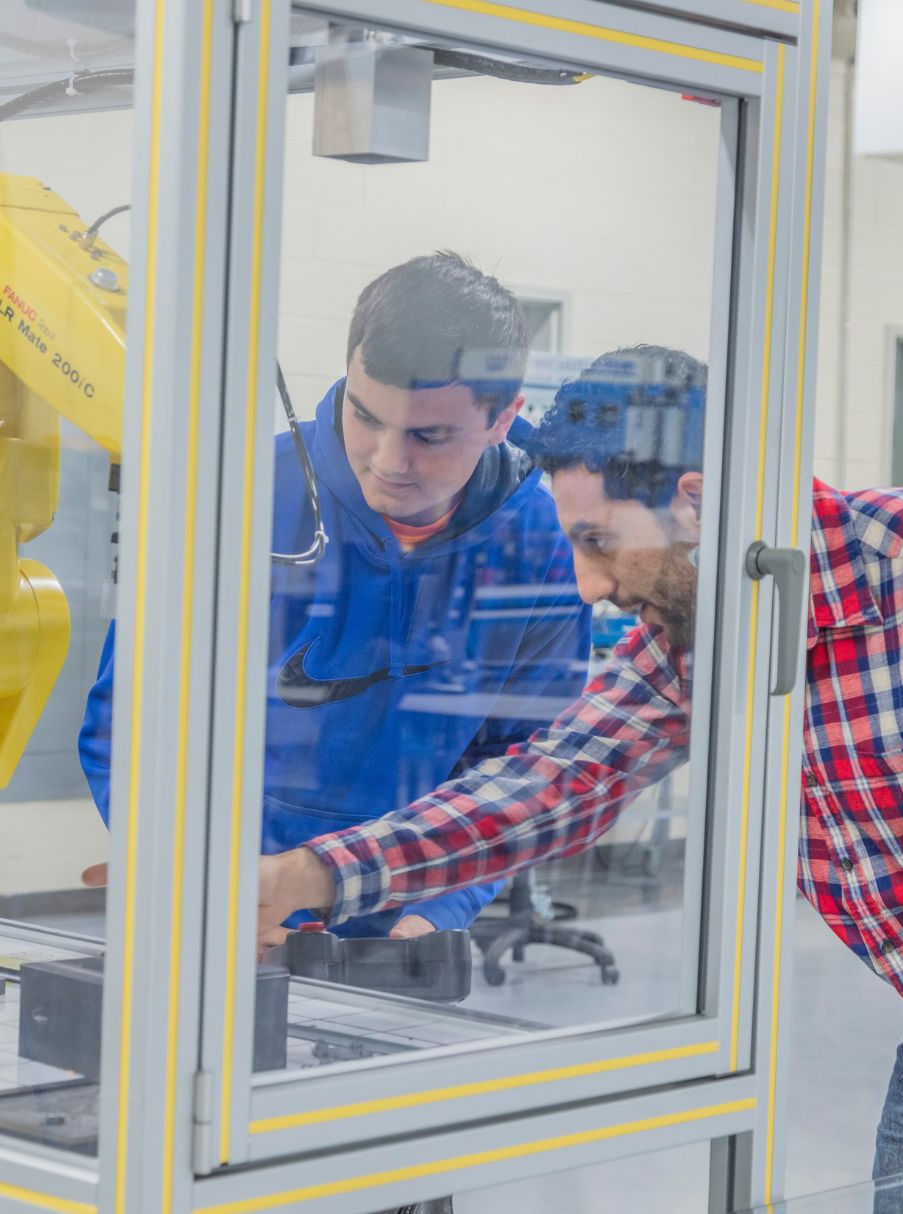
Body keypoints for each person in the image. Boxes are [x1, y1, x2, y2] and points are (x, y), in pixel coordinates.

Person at [258, 345, 903, 1214]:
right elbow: (549, 787)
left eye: (599, 540)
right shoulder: (699, 632)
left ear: (695, 500)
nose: (588, 584)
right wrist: (312, 876)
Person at [80, 251, 590, 940]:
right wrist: (188, 872)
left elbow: (521, 759)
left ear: (502, 419)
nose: (387, 459)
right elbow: (131, 719)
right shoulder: (236, 496)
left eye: (427, 436)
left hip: (407, 924)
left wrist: (439, 911)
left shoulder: (546, 543)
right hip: (222, 909)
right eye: (365, 416)